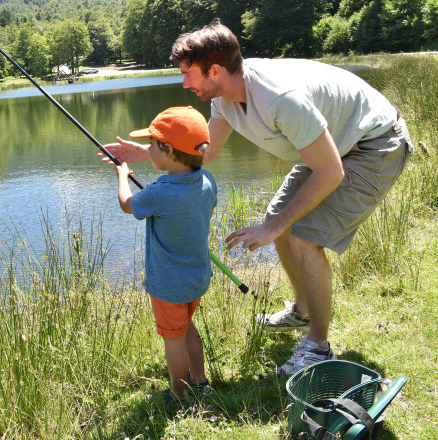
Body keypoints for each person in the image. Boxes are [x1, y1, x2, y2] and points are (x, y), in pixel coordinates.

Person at [104, 21, 413, 376]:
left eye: (188, 74)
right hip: (333, 148)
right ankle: (302, 310)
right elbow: (207, 152)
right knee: (278, 216)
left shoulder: (280, 99)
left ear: (215, 70)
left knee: (302, 235)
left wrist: (275, 226)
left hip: (373, 145)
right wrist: (145, 153)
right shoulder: (224, 97)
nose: (185, 83)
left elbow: (331, 172)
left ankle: (318, 346)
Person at [111, 106, 217, 400]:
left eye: (152, 145)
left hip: (169, 284)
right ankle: (200, 381)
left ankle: (180, 395)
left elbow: (127, 204)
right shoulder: (207, 180)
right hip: (196, 277)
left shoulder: (159, 193)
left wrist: (122, 174)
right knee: (187, 327)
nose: (149, 149)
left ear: (168, 150)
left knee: (173, 338)